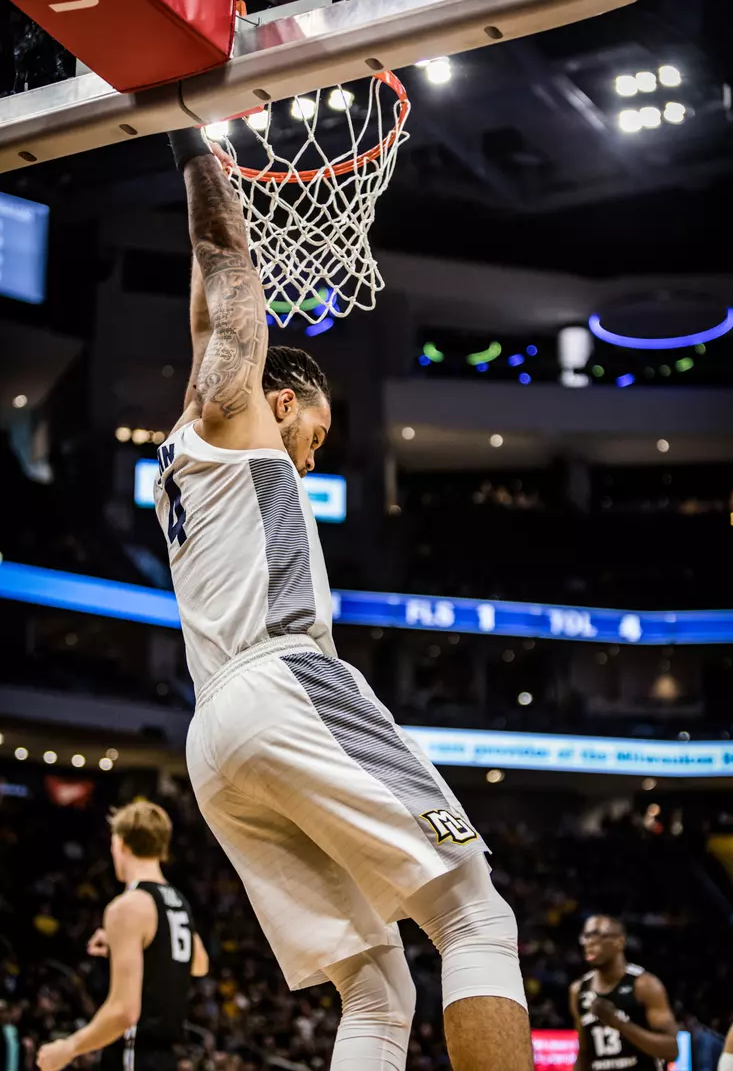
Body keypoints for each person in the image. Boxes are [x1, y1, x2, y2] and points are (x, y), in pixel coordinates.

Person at [155, 125, 532, 1071]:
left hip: (216, 738)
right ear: (278, 402)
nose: (314, 457)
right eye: (313, 433)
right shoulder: (237, 416)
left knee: (377, 986)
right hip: (284, 684)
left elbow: (207, 315)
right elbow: (225, 267)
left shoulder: (187, 444)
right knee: (475, 911)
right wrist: (193, 135)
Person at [36, 801, 208, 1071]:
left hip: (133, 1054)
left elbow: (125, 1012)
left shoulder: (127, 906)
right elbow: (198, 963)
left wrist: (68, 1048)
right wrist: (131, 946)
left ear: (121, 844)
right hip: (166, 1058)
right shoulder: (178, 901)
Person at [569, 915, 678, 1071]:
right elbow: (584, 1052)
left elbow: (671, 1050)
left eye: (597, 935)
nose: (589, 942)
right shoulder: (578, 990)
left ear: (619, 942)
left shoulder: (645, 985)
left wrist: (619, 1024)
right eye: (586, 936)